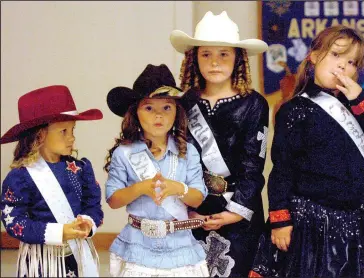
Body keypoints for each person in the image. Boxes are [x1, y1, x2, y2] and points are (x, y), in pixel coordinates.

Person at [249, 25, 364, 278]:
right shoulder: (295, 109)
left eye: (352, 62)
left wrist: (360, 97)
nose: (343, 66)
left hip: (354, 223)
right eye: (335, 55)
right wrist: (280, 220)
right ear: (313, 56)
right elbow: (282, 169)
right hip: (311, 224)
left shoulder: (357, 107)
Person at [170, 11, 269, 277]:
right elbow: (175, 159)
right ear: (194, 58)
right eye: (206, 54)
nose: (214, 62)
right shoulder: (183, 102)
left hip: (239, 213)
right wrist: (186, 209)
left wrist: (234, 213)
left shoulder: (254, 103)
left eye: (223, 54)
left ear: (238, 57)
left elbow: (253, 164)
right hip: (193, 209)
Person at [104, 64, 209, 277]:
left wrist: (177, 188)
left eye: (167, 108)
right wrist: (141, 187)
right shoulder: (124, 153)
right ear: (135, 113)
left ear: (177, 113)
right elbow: (113, 200)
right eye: (149, 108)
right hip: (138, 243)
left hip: (179, 244)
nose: (158, 116)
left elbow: (197, 199)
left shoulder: (187, 151)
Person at [0, 85, 104, 277]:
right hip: (41, 262)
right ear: (39, 135)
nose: (72, 137)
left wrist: (88, 223)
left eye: (73, 130)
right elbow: (14, 221)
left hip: (78, 255)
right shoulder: (20, 178)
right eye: (63, 131)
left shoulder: (81, 169)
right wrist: (60, 232)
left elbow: (93, 205)